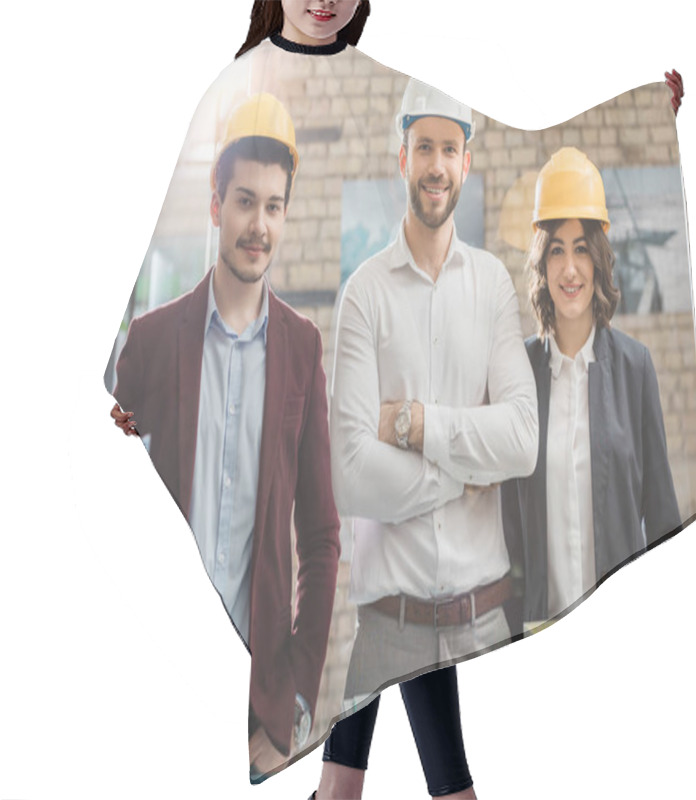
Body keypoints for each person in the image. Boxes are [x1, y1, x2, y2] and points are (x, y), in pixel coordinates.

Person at [316, 77, 539, 800]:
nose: (436, 164)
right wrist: (466, 470)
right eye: (423, 148)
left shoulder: (495, 286)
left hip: (486, 623)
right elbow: (350, 473)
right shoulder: (364, 296)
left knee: (359, 788)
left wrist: (412, 425)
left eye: (450, 148)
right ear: (402, 158)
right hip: (395, 615)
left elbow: (522, 441)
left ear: (465, 162)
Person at [109, 92, 341, 778]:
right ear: (215, 205)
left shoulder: (302, 349)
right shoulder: (150, 344)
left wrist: (297, 695)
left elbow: (322, 536)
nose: (259, 225)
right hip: (152, 674)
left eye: (274, 206)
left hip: (253, 702)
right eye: (245, 201)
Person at [502, 146, 682, 632]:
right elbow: (506, 526)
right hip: (540, 632)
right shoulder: (518, 371)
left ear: (599, 258)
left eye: (581, 247)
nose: (570, 269)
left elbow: (663, 518)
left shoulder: (634, 367)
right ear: (542, 263)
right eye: (556, 249)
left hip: (623, 628)